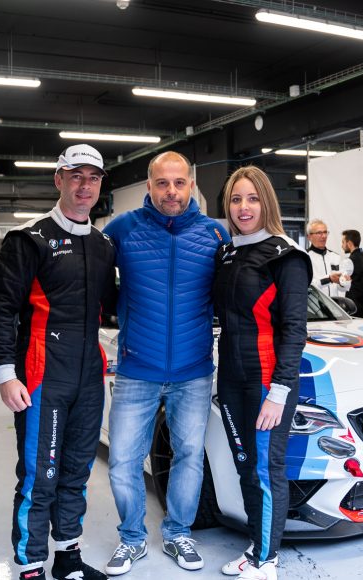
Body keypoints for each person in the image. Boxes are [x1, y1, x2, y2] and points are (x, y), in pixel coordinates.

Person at [0, 144, 116, 580]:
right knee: (40, 476)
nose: (84, 185)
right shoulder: (29, 239)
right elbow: (1, 309)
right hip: (42, 375)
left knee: (77, 473)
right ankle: (30, 567)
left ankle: (68, 558)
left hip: (89, 375)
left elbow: (111, 308)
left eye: (92, 177)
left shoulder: (103, 245)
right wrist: (6, 374)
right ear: (59, 179)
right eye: (76, 176)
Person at [102, 151, 229, 576]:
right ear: (149, 186)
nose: (171, 191)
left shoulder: (215, 234)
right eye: (162, 183)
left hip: (193, 370)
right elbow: (92, 280)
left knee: (189, 454)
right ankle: (132, 538)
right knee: (122, 459)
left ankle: (177, 533)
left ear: (191, 185)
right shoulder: (122, 229)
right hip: (137, 367)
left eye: (179, 182)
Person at [212, 166, 310, 580]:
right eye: (236, 199)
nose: (244, 207)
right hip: (231, 379)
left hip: (267, 381)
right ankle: (258, 546)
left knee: (267, 471)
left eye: (252, 198)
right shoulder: (226, 253)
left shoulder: (287, 256)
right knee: (246, 468)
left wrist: (279, 391)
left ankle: (267, 561)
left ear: (266, 202)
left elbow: (295, 330)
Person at [305, 219, 350, 299]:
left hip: (334, 304)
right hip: (315, 305)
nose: (324, 236)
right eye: (319, 233)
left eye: (325, 232)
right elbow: (307, 285)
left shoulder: (336, 257)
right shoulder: (305, 257)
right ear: (309, 236)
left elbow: (342, 289)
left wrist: (344, 282)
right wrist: (329, 279)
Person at [341, 230, 363, 318]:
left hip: (352, 306)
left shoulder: (349, 261)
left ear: (349, 243)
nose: (342, 246)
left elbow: (342, 284)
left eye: (343, 242)